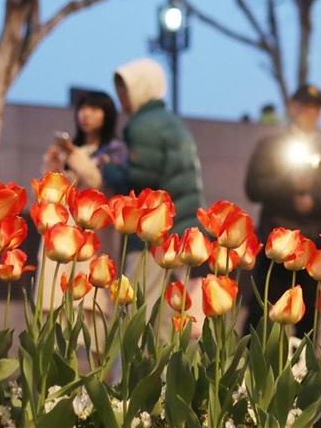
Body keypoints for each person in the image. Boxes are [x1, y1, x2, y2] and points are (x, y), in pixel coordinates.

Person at [102, 58, 205, 337]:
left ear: (141, 88)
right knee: (169, 322)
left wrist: (109, 167)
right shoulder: (171, 123)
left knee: (139, 317)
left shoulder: (143, 126)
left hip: (153, 237)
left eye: (125, 88)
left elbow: (141, 180)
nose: (120, 96)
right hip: (180, 233)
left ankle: (132, 380)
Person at [244, 84, 321, 337]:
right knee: (263, 313)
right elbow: (254, 187)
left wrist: (314, 203)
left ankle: (304, 371)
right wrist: (288, 186)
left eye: (316, 109)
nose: (310, 114)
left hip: (311, 246)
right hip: (277, 244)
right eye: (305, 108)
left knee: (309, 320)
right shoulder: (271, 146)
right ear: (293, 108)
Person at [39, 91, 127, 356]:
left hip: (92, 241)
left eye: (94, 109)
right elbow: (49, 195)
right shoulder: (68, 153)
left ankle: (96, 387)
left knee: (94, 317)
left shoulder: (114, 151)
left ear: (108, 115)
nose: (85, 115)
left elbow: (98, 183)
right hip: (60, 236)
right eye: (82, 108)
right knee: (53, 315)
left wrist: (75, 156)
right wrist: (52, 166)